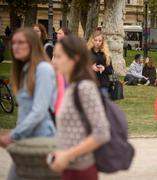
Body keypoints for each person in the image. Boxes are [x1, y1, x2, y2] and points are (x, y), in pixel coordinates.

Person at [50, 35, 111, 180]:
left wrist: (68, 155)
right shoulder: (70, 86)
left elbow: (102, 132)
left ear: (75, 59)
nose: (53, 61)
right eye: (53, 56)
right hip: (66, 167)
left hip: (80, 170)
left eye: (58, 56)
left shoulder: (85, 87)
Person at [0, 28, 56, 179]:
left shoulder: (43, 69)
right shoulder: (24, 70)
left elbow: (39, 111)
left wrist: (13, 135)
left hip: (41, 141)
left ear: (32, 45)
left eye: (21, 42)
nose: (15, 47)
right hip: (26, 139)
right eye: (13, 43)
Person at [87, 31, 113, 95]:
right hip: (90, 83)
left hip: (103, 83)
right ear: (92, 40)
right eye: (95, 40)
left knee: (103, 103)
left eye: (100, 41)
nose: (97, 42)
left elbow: (111, 70)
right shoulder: (86, 53)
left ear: (102, 42)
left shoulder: (106, 54)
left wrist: (104, 68)